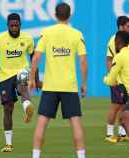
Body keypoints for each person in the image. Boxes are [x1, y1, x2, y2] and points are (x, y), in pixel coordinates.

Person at [29, 3, 87, 158]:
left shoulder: (46, 32)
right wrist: (84, 84)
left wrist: (32, 79)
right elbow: (83, 62)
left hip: (50, 86)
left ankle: (36, 156)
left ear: (55, 15)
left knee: (42, 122)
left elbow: (36, 58)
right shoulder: (77, 34)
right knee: (75, 123)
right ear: (70, 15)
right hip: (69, 86)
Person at [0, 13, 36, 152]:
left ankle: (27, 108)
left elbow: (33, 58)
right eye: (11, 25)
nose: (14, 28)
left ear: (20, 25)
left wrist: (36, 78)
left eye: (16, 25)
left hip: (21, 71)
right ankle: (8, 144)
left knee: (22, 86)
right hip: (4, 77)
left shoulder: (28, 39)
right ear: (7, 26)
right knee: (7, 108)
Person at [105, 16, 129, 143]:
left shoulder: (127, 40)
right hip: (117, 80)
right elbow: (109, 60)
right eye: (128, 26)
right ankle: (109, 134)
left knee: (124, 107)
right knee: (115, 107)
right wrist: (113, 76)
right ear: (121, 26)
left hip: (125, 80)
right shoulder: (113, 41)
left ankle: (121, 133)